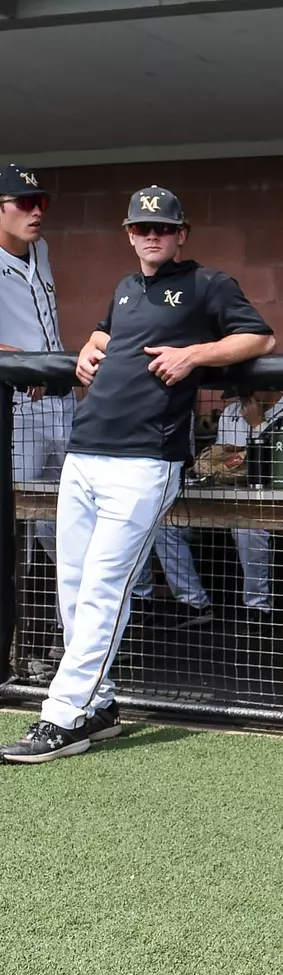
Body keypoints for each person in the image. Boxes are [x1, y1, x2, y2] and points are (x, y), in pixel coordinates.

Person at [0, 185, 275, 764]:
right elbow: (105, 334)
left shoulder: (208, 284)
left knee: (105, 586)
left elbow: (260, 337)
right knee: (71, 584)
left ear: (181, 234)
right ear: (129, 233)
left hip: (145, 458)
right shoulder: (126, 289)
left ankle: (62, 715)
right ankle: (97, 705)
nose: (152, 235)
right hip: (87, 448)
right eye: (141, 228)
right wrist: (88, 346)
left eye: (164, 228)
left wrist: (195, 355)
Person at [0, 164, 73, 672]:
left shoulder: (41, 251)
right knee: (17, 533)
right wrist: (18, 360)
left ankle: (64, 645)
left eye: (40, 201)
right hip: (16, 405)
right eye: (23, 202)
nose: (36, 211)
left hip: (59, 399)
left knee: (65, 527)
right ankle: (14, 651)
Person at [216, 388, 283, 615]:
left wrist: (258, 425)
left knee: (246, 529)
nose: (241, 397)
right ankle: (193, 604)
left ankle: (257, 608)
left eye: (247, 391)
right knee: (167, 527)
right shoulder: (230, 412)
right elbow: (221, 460)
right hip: (233, 494)